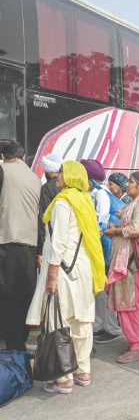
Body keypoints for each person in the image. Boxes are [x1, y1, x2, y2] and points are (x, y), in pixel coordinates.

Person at [26, 160, 107, 393]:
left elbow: (59, 242)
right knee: (81, 319)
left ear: (70, 176)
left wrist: (51, 276)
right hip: (82, 268)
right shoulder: (85, 200)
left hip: (62, 268)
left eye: (62, 172)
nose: (58, 175)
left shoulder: (62, 202)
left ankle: (63, 379)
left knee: (59, 321)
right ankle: (83, 371)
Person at [103, 172, 139, 363]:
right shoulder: (135, 203)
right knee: (128, 304)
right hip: (127, 263)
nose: (127, 185)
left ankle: (138, 346)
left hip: (132, 265)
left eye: (131, 182)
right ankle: (135, 341)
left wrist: (115, 231)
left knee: (132, 305)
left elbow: (136, 229)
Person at [0, 141, 41, 352]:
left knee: (6, 295)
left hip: (6, 242)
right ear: (23, 157)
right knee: (24, 294)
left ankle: (13, 344)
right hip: (30, 245)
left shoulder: (2, 170)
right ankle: (20, 341)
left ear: (3, 156)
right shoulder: (35, 178)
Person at [81, 158, 123, 345]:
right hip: (98, 247)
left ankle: (112, 328)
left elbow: (102, 223)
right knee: (97, 289)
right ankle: (99, 325)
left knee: (105, 288)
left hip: (104, 249)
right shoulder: (94, 193)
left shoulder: (101, 195)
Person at [37, 153, 63, 268]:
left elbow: (43, 218)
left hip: (51, 239)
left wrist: (40, 250)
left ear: (47, 171)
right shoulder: (68, 186)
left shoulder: (47, 187)